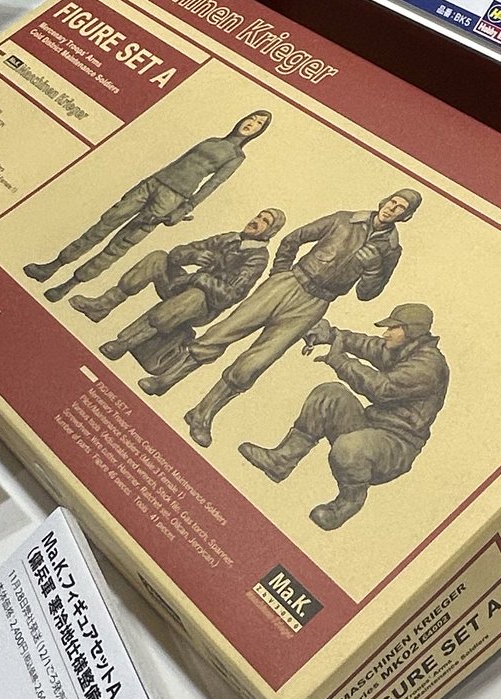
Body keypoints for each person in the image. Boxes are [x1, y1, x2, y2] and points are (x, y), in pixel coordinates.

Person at [140, 189, 422, 448]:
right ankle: (164, 380)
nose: (393, 208)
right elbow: (294, 238)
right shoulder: (343, 219)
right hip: (288, 282)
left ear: (406, 216)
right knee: (222, 333)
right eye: (392, 202)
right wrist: (280, 274)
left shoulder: (390, 250)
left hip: (313, 305)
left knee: (256, 362)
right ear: (384, 201)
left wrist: (373, 269)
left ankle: (201, 414)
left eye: (401, 208)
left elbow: (367, 294)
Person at [22, 110, 272, 302]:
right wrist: (146, 182)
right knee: (103, 225)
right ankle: (53, 266)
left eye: (259, 124)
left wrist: (184, 209)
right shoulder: (212, 140)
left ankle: (69, 285)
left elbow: (212, 184)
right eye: (252, 118)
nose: (252, 123)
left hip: (172, 198)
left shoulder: (236, 156)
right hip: (153, 183)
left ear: (258, 132)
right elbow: (178, 161)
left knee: (123, 242)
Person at [239, 303, 449, 530]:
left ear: (412, 331)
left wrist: (340, 361)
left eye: (393, 328)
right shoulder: (404, 348)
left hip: (397, 446)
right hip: (373, 427)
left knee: (350, 448)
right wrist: (332, 335)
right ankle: (281, 460)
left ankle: (348, 502)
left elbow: (382, 389)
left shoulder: (428, 365)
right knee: (328, 395)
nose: (386, 334)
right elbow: (370, 346)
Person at [70, 208, 286, 374]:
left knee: (194, 296)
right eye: (258, 216)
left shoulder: (257, 259)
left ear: (271, 231)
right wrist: (193, 256)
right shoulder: (229, 238)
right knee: (158, 258)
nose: (256, 221)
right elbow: (177, 253)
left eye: (265, 221)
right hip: (184, 285)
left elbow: (229, 296)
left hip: (204, 306)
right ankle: (103, 306)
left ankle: (125, 343)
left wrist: (198, 278)